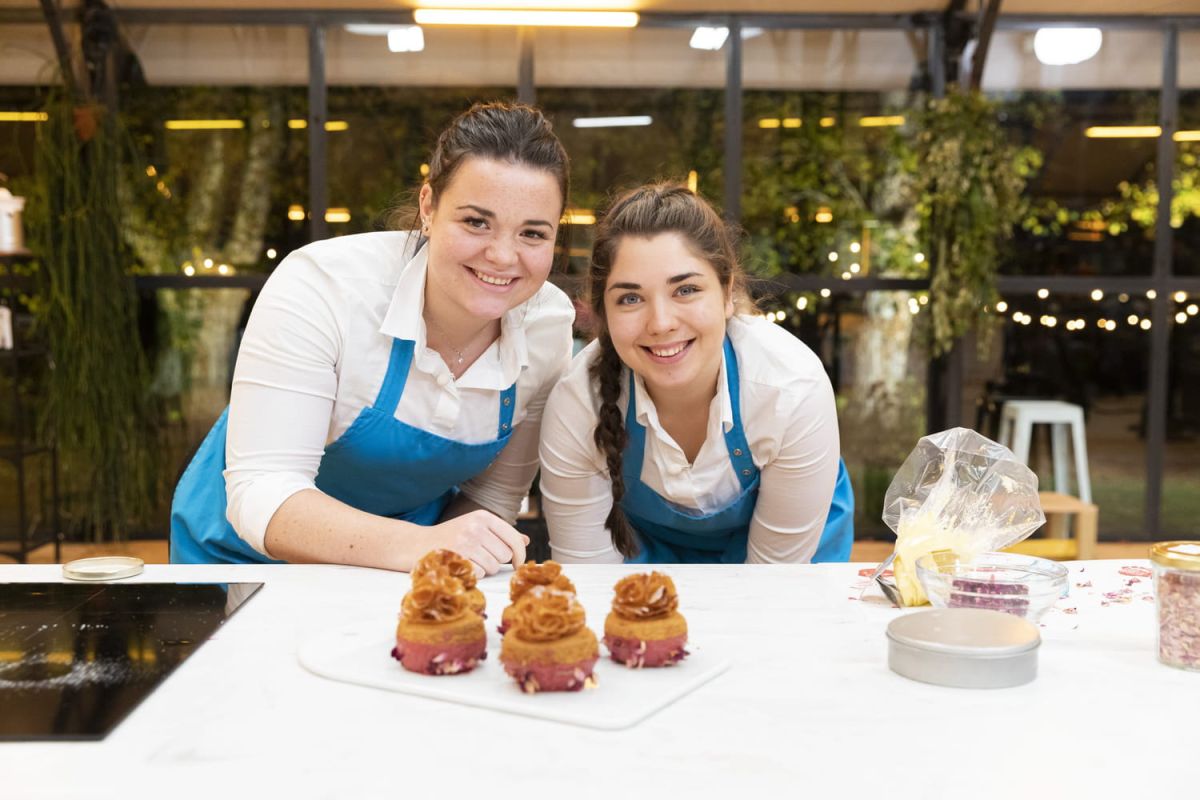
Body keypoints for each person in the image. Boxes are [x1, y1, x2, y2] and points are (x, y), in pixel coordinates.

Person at [171, 102, 575, 575]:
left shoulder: (546, 326)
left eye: (532, 233)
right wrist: (422, 548)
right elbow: (264, 490)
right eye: (476, 222)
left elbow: (491, 497)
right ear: (428, 206)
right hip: (241, 565)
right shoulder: (323, 287)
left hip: (405, 572)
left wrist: (441, 556)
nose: (503, 256)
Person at [538, 183, 853, 564]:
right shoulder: (577, 403)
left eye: (685, 290)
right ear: (603, 314)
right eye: (631, 298)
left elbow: (771, 591)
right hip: (646, 559)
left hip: (786, 571)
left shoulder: (790, 388)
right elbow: (588, 578)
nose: (661, 323)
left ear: (726, 294)